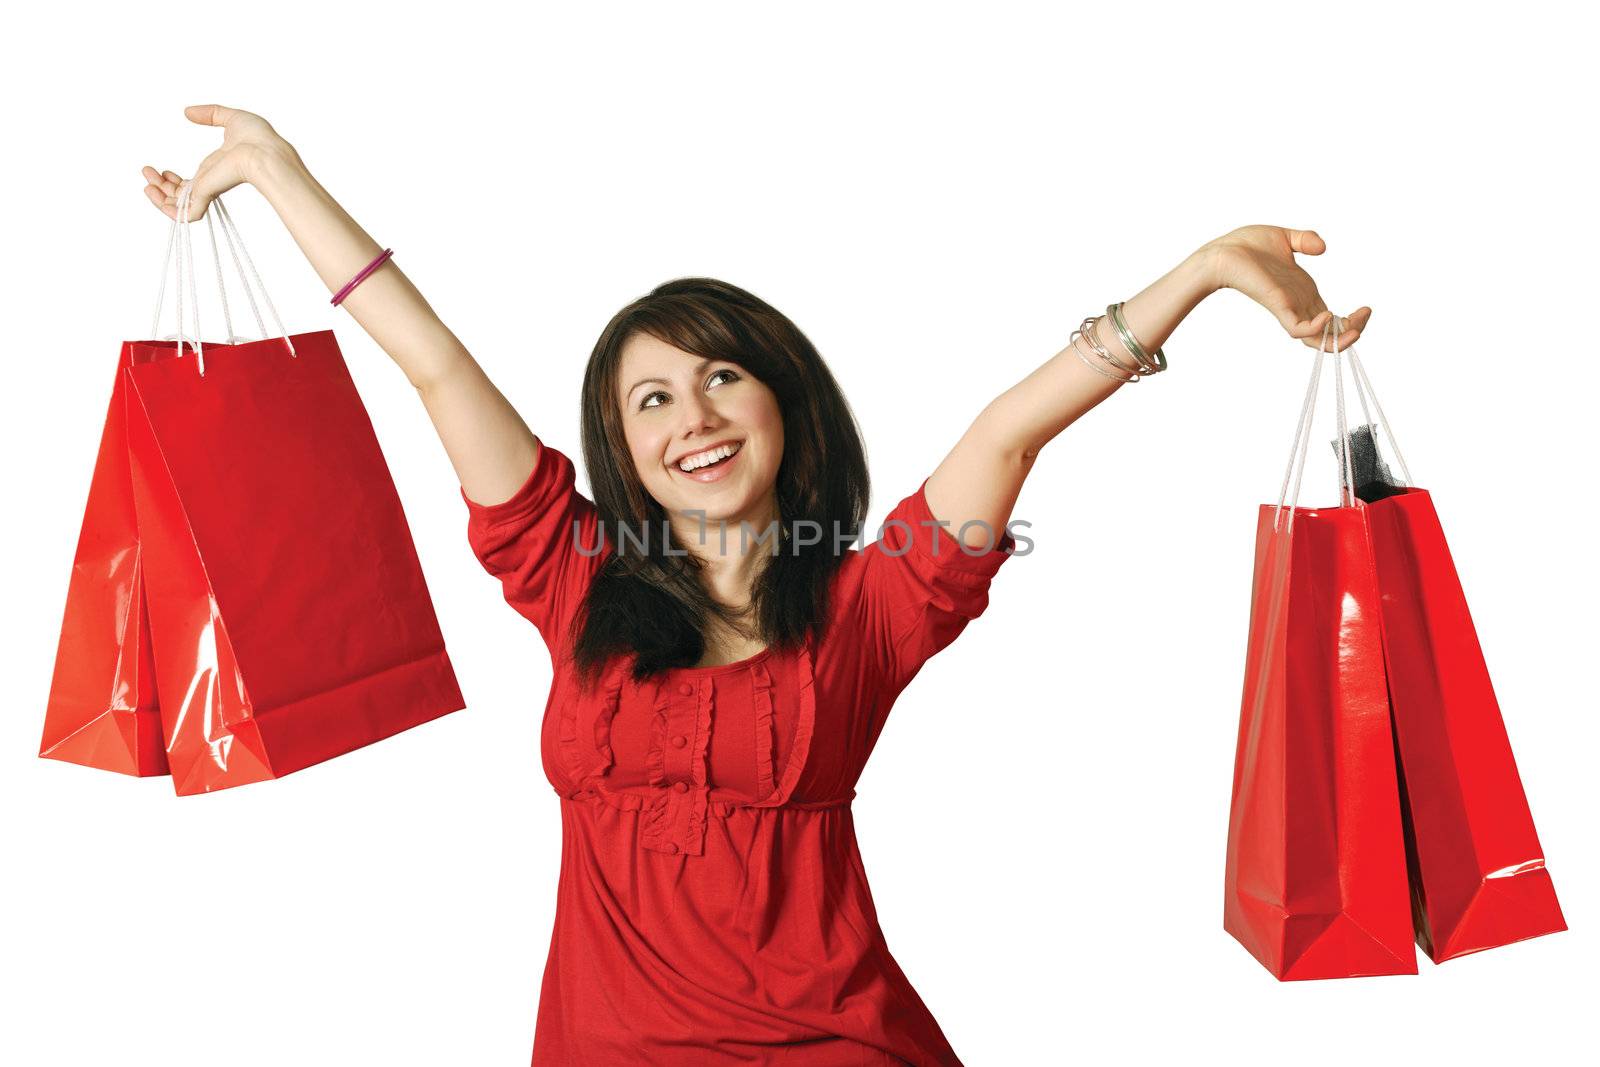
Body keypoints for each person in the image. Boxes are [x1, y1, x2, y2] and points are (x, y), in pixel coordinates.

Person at [142, 104, 1370, 1066]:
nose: (695, 418)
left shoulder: (870, 604)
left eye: (723, 378)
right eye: (653, 399)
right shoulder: (570, 580)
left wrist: (1203, 271)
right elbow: (434, 363)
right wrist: (279, 172)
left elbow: (1007, 432)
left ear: (783, 401)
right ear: (621, 446)